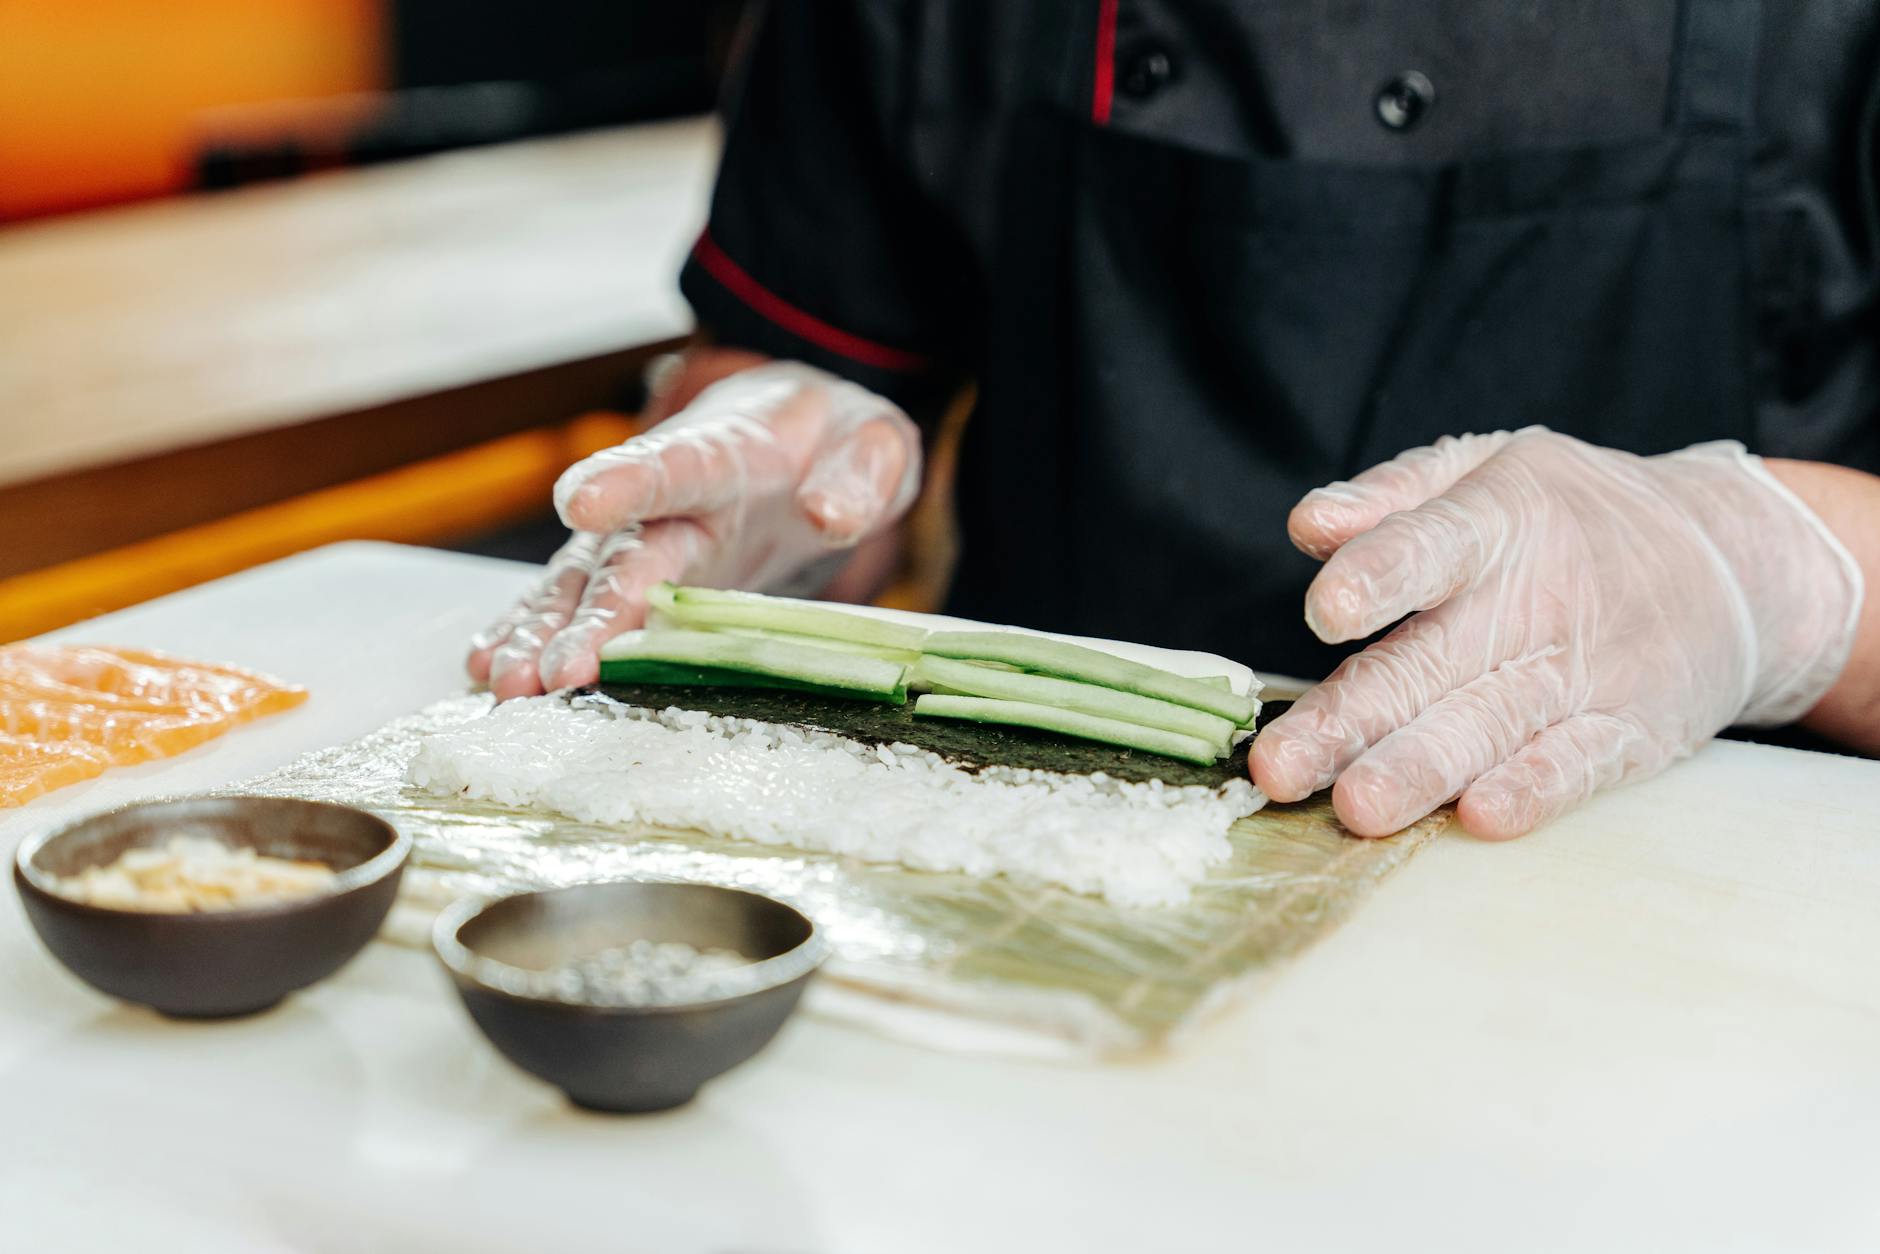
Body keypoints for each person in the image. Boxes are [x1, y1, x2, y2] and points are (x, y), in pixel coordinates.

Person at [469, 1, 1880, 840]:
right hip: (1026, 872)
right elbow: (810, 385)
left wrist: (1767, 577)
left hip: (1705, 950)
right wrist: (769, 495)